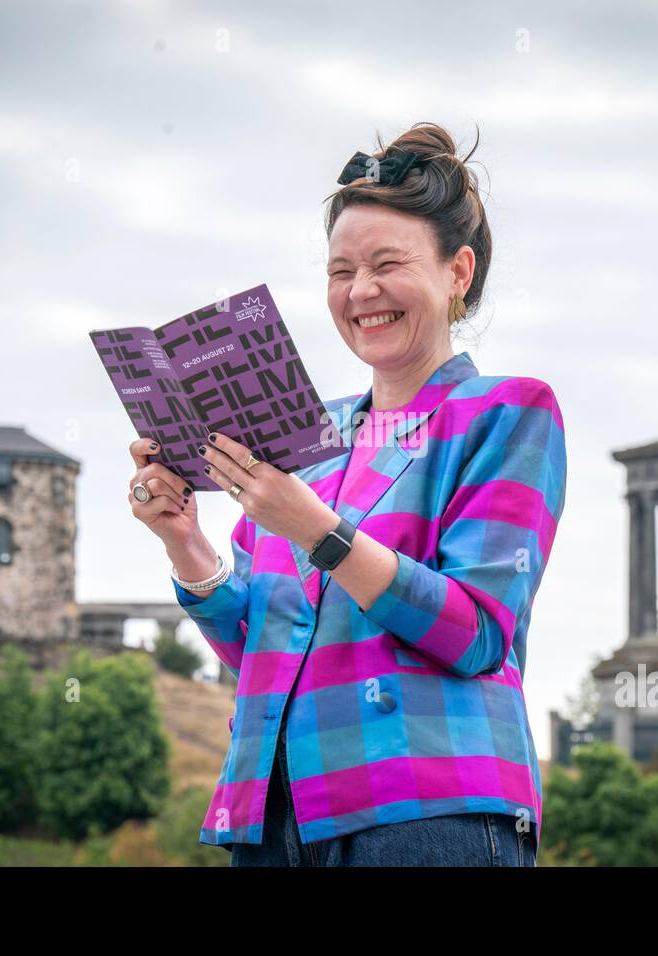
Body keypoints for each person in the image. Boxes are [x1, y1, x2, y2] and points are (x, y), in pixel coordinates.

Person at [126, 122, 567, 866]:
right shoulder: (307, 431)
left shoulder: (508, 412)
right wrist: (185, 539)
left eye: (386, 265)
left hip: (429, 811)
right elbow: (254, 647)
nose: (361, 292)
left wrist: (319, 532)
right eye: (340, 272)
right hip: (272, 817)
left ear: (458, 272)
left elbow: (477, 631)